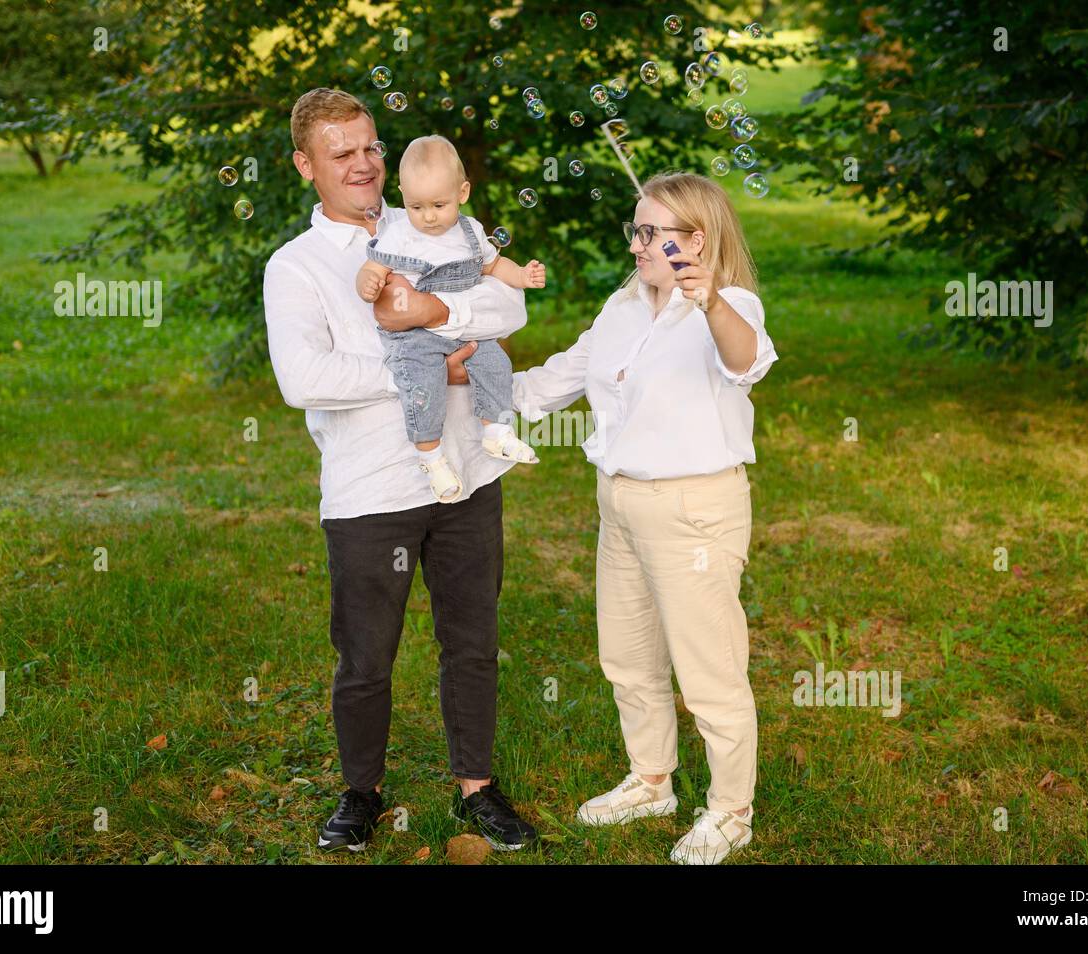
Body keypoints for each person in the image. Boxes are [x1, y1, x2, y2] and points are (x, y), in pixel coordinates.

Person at [263, 88, 538, 853]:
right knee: (364, 653)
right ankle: (361, 792)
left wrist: (434, 318)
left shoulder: (432, 217)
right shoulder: (296, 267)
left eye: (370, 146)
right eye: (340, 152)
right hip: (369, 490)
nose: (362, 164)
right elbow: (303, 378)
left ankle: (476, 786)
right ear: (305, 165)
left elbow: (510, 311)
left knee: (472, 639)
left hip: (465, 475)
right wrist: (424, 372)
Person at [509, 172, 778, 864]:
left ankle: (730, 811)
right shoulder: (625, 304)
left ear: (699, 239)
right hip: (621, 501)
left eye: (655, 232)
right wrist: (477, 387)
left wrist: (709, 297)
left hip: (693, 509)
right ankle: (652, 780)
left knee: (708, 667)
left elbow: (745, 361)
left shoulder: (729, 306)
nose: (639, 244)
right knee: (627, 655)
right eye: (637, 229)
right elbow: (565, 373)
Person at [356, 134, 543, 503]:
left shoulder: (471, 232)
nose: (427, 217)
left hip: (463, 329)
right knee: (422, 384)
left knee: (494, 361)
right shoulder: (399, 235)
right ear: (402, 197)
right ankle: (431, 457)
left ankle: (496, 432)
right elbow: (372, 265)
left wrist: (521, 275)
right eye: (415, 206)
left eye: (439, 205)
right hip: (415, 336)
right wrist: (368, 279)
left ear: (463, 192)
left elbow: (492, 264)